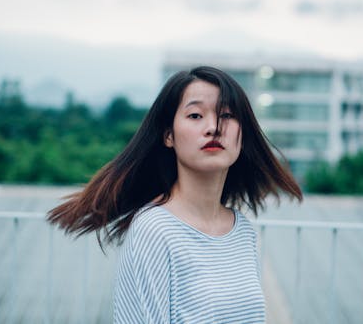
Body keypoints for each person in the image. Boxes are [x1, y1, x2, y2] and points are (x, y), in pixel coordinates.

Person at [47, 65, 302, 323]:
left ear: (242, 135)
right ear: (168, 135)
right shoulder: (154, 230)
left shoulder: (243, 231)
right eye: (195, 115)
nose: (213, 127)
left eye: (226, 115)